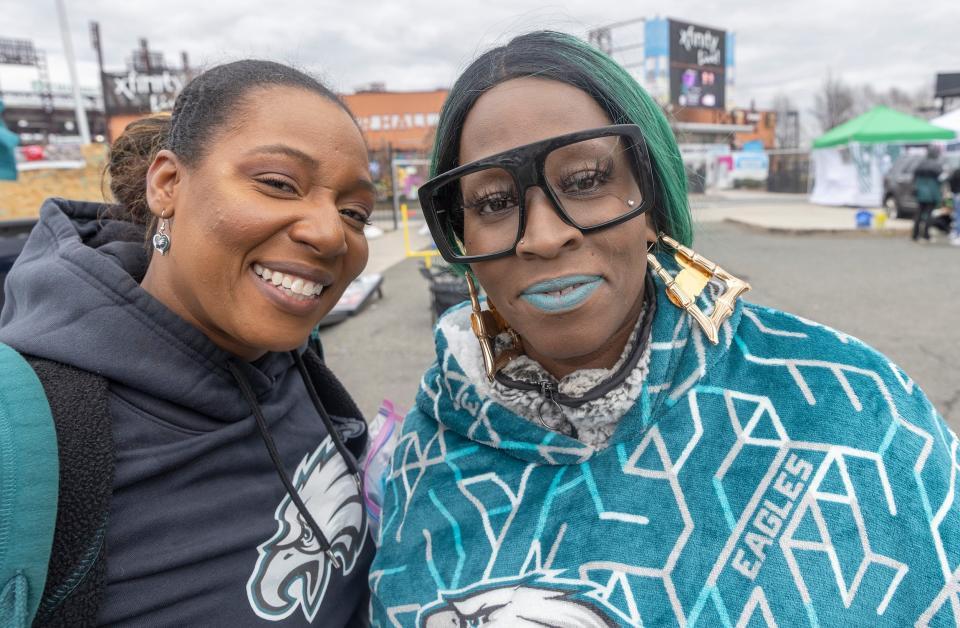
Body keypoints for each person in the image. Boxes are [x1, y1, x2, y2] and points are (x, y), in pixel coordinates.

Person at [368, 31, 958, 626]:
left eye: (585, 180)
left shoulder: (848, 404)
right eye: (493, 203)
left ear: (654, 203)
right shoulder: (422, 460)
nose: (544, 238)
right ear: (459, 235)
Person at [0, 60, 375, 626]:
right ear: (167, 184)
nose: (329, 233)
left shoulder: (295, 358)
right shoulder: (28, 435)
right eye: (278, 184)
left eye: (354, 213)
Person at [912, 145, 943, 242]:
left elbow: (914, 177)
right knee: (929, 214)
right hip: (931, 193)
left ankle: (915, 234)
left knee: (919, 213)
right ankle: (925, 234)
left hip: (921, 193)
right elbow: (941, 179)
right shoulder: (936, 165)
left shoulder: (921, 164)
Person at [949, 162, 960, 246]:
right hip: (957, 195)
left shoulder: (956, 171)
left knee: (957, 215)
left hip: (956, 195)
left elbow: (951, 181)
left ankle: (956, 234)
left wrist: (953, 191)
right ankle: (957, 234)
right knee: (958, 216)